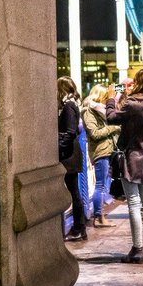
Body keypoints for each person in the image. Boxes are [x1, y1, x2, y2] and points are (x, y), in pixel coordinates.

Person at [105, 68, 143, 263]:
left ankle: (137, 249)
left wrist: (112, 98)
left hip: (130, 156)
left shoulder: (131, 104)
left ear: (137, 82)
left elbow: (111, 118)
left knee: (134, 204)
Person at [83, 84, 121, 228]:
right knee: (100, 185)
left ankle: (101, 216)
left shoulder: (100, 110)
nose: (107, 100)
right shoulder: (89, 111)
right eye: (105, 97)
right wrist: (114, 127)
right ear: (99, 96)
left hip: (107, 149)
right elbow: (95, 133)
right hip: (100, 151)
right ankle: (99, 218)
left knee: (103, 185)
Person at [57, 76, 86, 242]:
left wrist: (57, 148)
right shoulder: (74, 104)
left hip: (68, 154)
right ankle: (80, 228)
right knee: (75, 191)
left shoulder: (68, 106)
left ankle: (78, 228)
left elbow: (69, 132)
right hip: (72, 152)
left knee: (74, 192)